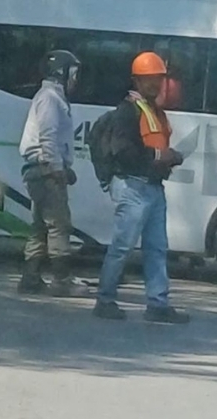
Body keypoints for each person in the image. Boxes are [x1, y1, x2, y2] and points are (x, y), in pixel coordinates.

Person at [93, 51, 188, 324]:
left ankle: (158, 304)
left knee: (157, 248)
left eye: (158, 78)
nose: (155, 84)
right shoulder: (128, 111)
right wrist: (161, 157)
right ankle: (105, 300)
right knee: (122, 246)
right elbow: (123, 151)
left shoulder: (153, 111)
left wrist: (166, 157)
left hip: (152, 187)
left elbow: (152, 146)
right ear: (136, 80)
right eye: (149, 80)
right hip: (133, 187)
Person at [18, 49, 81, 297]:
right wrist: (57, 169)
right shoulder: (50, 99)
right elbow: (48, 137)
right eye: (74, 73)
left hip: (42, 170)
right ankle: (62, 280)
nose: (77, 80)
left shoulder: (52, 98)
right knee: (58, 225)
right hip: (45, 171)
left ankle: (30, 277)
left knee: (40, 227)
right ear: (63, 73)